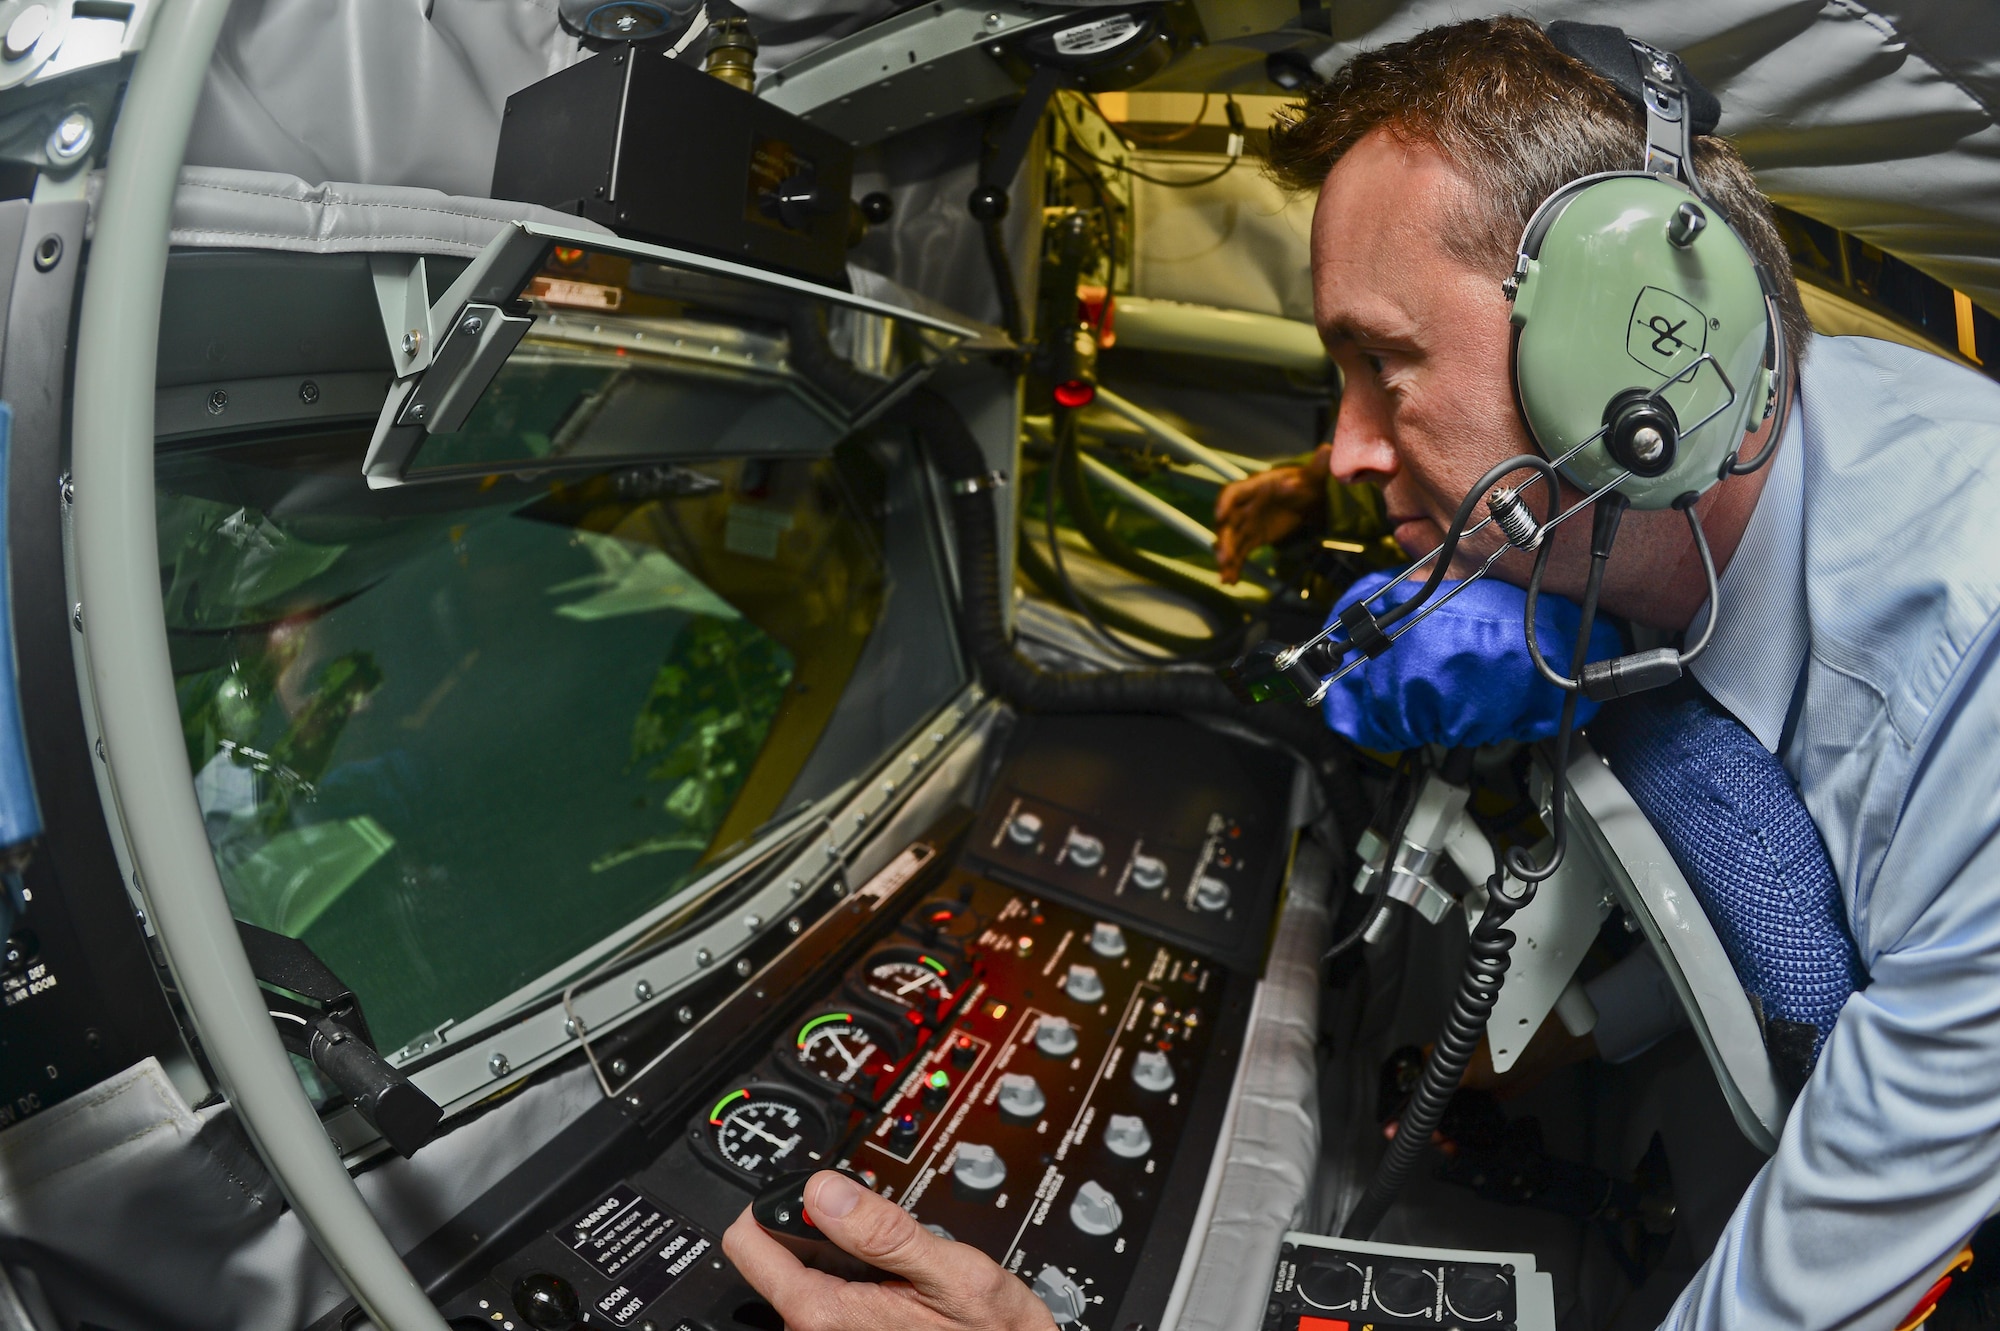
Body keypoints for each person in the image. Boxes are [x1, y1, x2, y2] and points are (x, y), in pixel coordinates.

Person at [728, 17, 2000, 1330]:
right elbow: (1840, 901)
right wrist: (1597, 1028)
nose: (1344, 451)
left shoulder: (1975, 636)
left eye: (1382, 365)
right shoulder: (1670, 531)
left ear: (1643, 349)